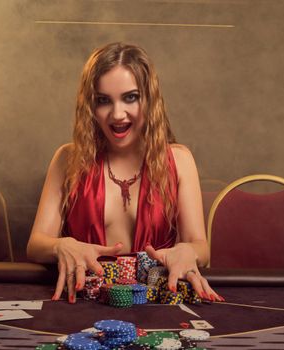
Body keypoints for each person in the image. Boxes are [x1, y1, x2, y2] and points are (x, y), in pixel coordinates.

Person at [27, 42, 223, 304]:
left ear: (149, 99)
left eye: (130, 97)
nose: (117, 114)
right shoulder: (67, 159)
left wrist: (188, 251)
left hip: (156, 305)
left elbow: (200, 246)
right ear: (90, 106)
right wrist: (61, 244)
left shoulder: (180, 159)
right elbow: (36, 245)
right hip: (82, 303)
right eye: (103, 100)